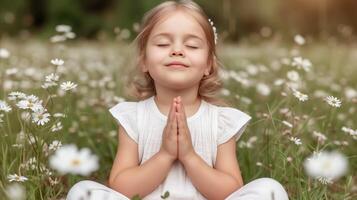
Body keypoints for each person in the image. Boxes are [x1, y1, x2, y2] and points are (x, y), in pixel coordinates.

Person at [66, 0, 289, 199]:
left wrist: (189, 156)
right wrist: (165, 154)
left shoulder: (221, 121)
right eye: (163, 44)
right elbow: (121, 188)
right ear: (144, 61)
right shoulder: (133, 117)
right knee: (82, 191)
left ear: (208, 64)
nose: (177, 50)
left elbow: (230, 191)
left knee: (269, 189)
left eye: (191, 45)